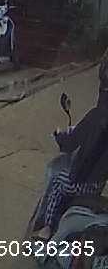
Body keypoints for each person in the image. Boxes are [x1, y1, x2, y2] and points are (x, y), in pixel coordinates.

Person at [33, 61, 108, 238]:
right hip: (98, 185)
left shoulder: (96, 115)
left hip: (81, 184)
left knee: (56, 181)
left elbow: (69, 144)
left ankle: (47, 228)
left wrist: (59, 136)